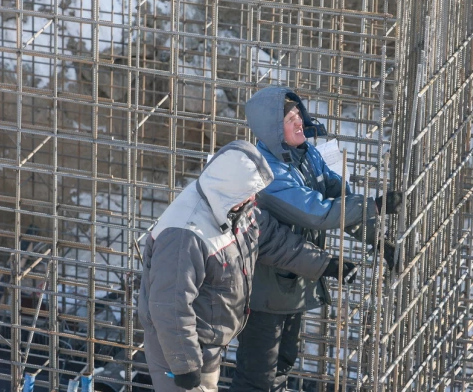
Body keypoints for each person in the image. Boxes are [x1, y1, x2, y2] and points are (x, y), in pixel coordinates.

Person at [137, 140, 353, 391]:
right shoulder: (185, 235)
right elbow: (169, 306)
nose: (253, 197)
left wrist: (325, 264)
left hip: (207, 342)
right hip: (178, 349)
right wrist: (184, 364)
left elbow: (273, 241)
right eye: (248, 191)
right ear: (231, 187)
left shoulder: (234, 207)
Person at [231, 87, 399, 391]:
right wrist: (373, 205)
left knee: (283, 364)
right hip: (264, 294)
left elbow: (341, 198)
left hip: (293, 284)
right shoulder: (268, 171)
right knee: (257, 377)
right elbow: (317, 213)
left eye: (298, 114)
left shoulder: (306, 156)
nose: (299, 123)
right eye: (290, 119)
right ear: (272, 129)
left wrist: (377, 238)